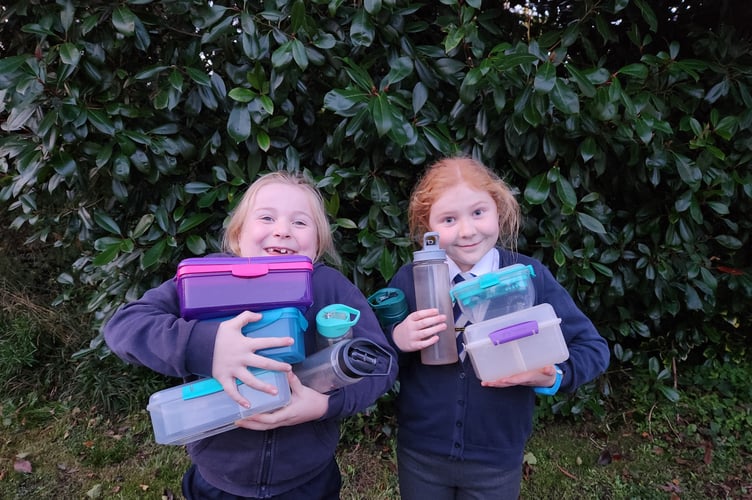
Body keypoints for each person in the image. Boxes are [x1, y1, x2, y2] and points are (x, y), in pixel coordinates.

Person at [104, 171, 398, 499]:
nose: (282, 230)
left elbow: (380, 362)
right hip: (218, 477)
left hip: (307, 479)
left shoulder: (329, 287)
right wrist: (206, 346)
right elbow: (124, 327)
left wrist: (325, 405)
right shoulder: (202, 281)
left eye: (300, 223)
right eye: (267, 217)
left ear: (317, 245)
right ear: (238, 233)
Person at [386, 157, 610, 500]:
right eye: (449, 219)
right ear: (427, 227)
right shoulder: (412, 280)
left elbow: (592, 347)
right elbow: (377, 360)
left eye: (478, 212)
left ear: (499, 210)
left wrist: (554, 376)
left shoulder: (528, 275)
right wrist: (398, 340)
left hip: (496, 457)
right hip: (421, 454)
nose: (467, 230)